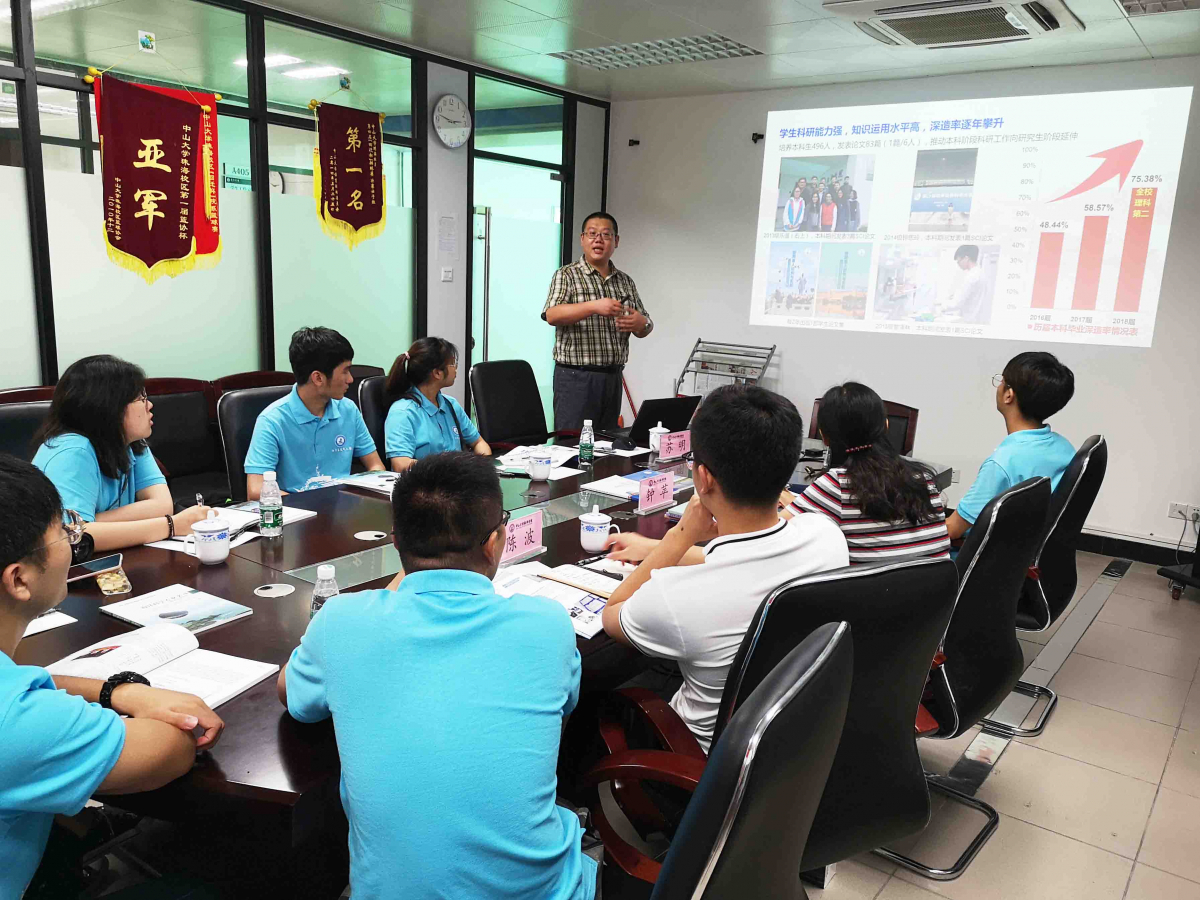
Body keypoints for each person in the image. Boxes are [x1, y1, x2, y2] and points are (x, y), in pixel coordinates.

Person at [278, 452, 597, 899]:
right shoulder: (547, 624)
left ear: (395, 543)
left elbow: (291, 693)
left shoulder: (340, 622)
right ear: (495, 543)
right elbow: (564, 706)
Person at [0, 454, 224, 899]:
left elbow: (27, 681)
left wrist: (116, 690)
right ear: (19, 579)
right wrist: (147, 701)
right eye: (65, 533)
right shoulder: (19, 724)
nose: (73, 542)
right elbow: (173, 748)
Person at [600, 386, 848, 751]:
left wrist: (678, 537)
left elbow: (611, 614)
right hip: (794, 738)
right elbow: (741, 564)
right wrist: (655, 549)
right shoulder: (825, 536)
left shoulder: (676, 597)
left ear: (703, 478)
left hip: (703, 767)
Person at [32, 355, 209, 552]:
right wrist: (171, 526)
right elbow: (73, 539)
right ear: (109, 406)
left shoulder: (131, 442)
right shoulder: (72, 451)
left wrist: (95, 522)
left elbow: (162, 505)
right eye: (141, 398)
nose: (149, 405)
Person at [782, 383, 949, 564]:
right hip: (937, 590)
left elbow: (775, 531)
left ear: (824, 436)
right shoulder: (924, 478)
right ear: (886, 425)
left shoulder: (837, 484)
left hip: (869, 592)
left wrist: (780, 494)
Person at [946, 352, 1076, 541]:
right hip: (1027, 548)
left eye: (1002, 381)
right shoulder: (1064, 447)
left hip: (992, 559)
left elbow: (953, 530)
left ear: (1009, 394)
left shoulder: (1002, 463)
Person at [543, 212, 653, 432]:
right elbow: (552, 315)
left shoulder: (625, 281)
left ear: (616, 241)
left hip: (612, 377)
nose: (598, 240)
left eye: (606, 235)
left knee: (606, 445)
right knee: (572, 447)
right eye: (592, 234)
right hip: (575, 378)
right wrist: (593, 306)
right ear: (582, 239)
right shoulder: (566, 275)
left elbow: (645, 326)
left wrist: (642, 323)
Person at [244, 327, 384, 498]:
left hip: (343, 511)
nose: (350, 379)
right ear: (318, 378)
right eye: (345, 371)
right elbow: (255, 490)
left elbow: (376, 467)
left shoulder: (348, 410)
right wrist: (310, 506)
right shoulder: (272, 420)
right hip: (295, 513)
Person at [382, 338, 490, 473]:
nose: (456, 368)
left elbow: (479, 443)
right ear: (437, 373)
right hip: (422, 488)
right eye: (452, 364)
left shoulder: (450, 404)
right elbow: (401, 464)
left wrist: (482, 467)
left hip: (456, 483)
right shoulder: (403, 412)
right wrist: (448, 469)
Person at [946, 244, 990, 323]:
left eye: (958, 261)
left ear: (966, 258)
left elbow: (956, 303)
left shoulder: (971, 277)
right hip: (978, 319)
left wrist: (942, 306)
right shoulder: (981, 273)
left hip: (969, 320)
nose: (958, 264)